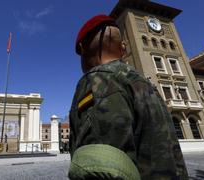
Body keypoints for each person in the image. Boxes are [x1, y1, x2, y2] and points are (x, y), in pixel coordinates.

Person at [68, 15, 188, 180]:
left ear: (82, 48)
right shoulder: (144, 84)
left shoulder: (99, 80)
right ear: (123, 49)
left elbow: (98, 169)